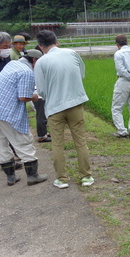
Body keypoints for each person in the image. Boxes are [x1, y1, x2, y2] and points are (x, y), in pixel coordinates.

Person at [34, 30, 93, 189]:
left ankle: (62, 179)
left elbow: (40, 90)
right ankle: (86, 177)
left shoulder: (41, 62)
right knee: (80, 141)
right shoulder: (72, 53)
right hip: (75, 103)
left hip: (54, 107)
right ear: (56, 41)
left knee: (57, 144)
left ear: (40, 46)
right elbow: (80, 74)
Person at [0, 50, 48, 186]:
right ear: (35, 60)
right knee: (22, 141)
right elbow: (23, 97)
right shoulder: (26, 72)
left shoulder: (12, 64)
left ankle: (11, 177)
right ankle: (32, 175)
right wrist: (35, 96)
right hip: (7, 112)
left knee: (0, 142)